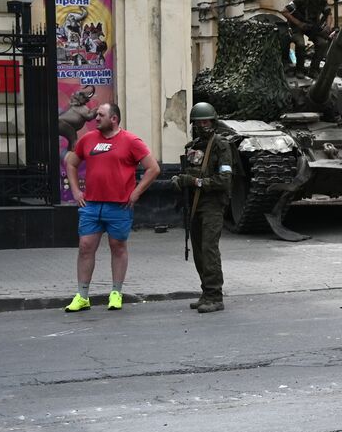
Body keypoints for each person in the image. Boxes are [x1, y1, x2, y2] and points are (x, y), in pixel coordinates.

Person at [63, 102, 160, 312]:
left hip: (119, 206)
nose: (95, 118)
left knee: (118, 247)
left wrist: (136, 192)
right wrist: (76, 191)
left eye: (100, 115)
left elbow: (153, 168)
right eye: (97, 115)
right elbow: (70, 163)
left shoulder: (131, 141)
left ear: (114, 118)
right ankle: (82, 296)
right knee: (85, 247)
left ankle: (116, 293)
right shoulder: (87, 139)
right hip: (91, 205)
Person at [173, 102, 233, 313]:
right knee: (198, 250)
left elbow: (224, 180)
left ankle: (215, 296)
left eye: (206, 121)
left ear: (213, 122)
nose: (202, 125)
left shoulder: (220, 145)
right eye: (198, 122)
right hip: (195, 204)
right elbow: (192, 172)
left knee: (208, 249)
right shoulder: (194, 146)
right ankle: (206, 292)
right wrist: (181, 180)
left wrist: (196, 182)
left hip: (212, 205)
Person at [283, 0, 331, 73]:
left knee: (323, 43)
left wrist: (327, 26)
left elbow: (328, 14)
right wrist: (299, 23)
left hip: (311, 26)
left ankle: (313, 70)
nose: (319, 0)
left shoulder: (322, 1)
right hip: (296, 26)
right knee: (300, 44)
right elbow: (284, 11)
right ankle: (299, 70)